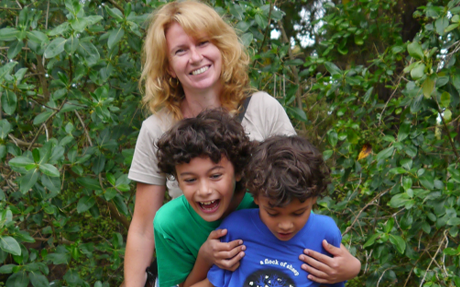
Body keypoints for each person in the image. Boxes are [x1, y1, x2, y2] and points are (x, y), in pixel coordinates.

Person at [124, 1, 360, 286]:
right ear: (169, 67)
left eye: (203, 43)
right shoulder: (155, 130)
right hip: (194, 272)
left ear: (221, 48)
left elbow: (297, 189)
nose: (196, 57)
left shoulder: (263, 109)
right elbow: (142, 228)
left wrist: (348, 263)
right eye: (181, 50)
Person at [205, 135, 345, 287]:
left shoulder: (325, 234)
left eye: (298, 213)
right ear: (256, 197)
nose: (285, 225)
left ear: (314, 198)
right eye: (273, 213)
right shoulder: (235, 228)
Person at [154, 109, 255, 287]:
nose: (204, 190)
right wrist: (205, 258)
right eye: (190, 180)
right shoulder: (170, 223)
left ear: (238, 171)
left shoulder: (263, 203)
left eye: (215, 176)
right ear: (177, 180)